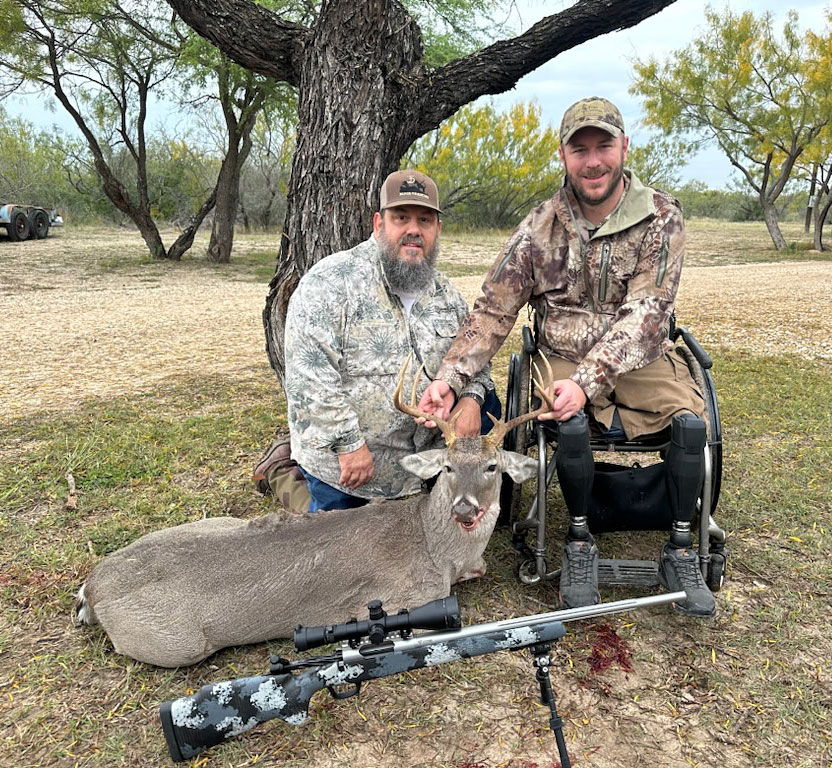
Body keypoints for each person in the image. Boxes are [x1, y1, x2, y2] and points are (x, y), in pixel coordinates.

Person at [417, 97, 713, 617]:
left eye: (603, 146)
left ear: (624, 147)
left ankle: (682, 547)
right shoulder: (538, 227)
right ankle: (577, 543)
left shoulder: (661, 216)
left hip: (641, 358)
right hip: (558, 354)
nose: (593, 160)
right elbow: (493, 311)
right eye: (580, 150)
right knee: (566, 418)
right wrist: (450, 376)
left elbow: (648, 312)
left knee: (691, 424)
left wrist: (590, 378)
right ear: (564, 156)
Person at [252, 169, 499, 514]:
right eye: (401, 217)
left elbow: (477, 364)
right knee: (338, 554)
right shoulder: (329, 284)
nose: (414, 229)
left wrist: (470, 400)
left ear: (437, 230)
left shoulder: (448, 296)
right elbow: (307, 378)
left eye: (424, 220)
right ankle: (281, 473)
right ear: (379, 223)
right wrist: (347, 443)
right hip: (348, 467)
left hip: (421, 466)